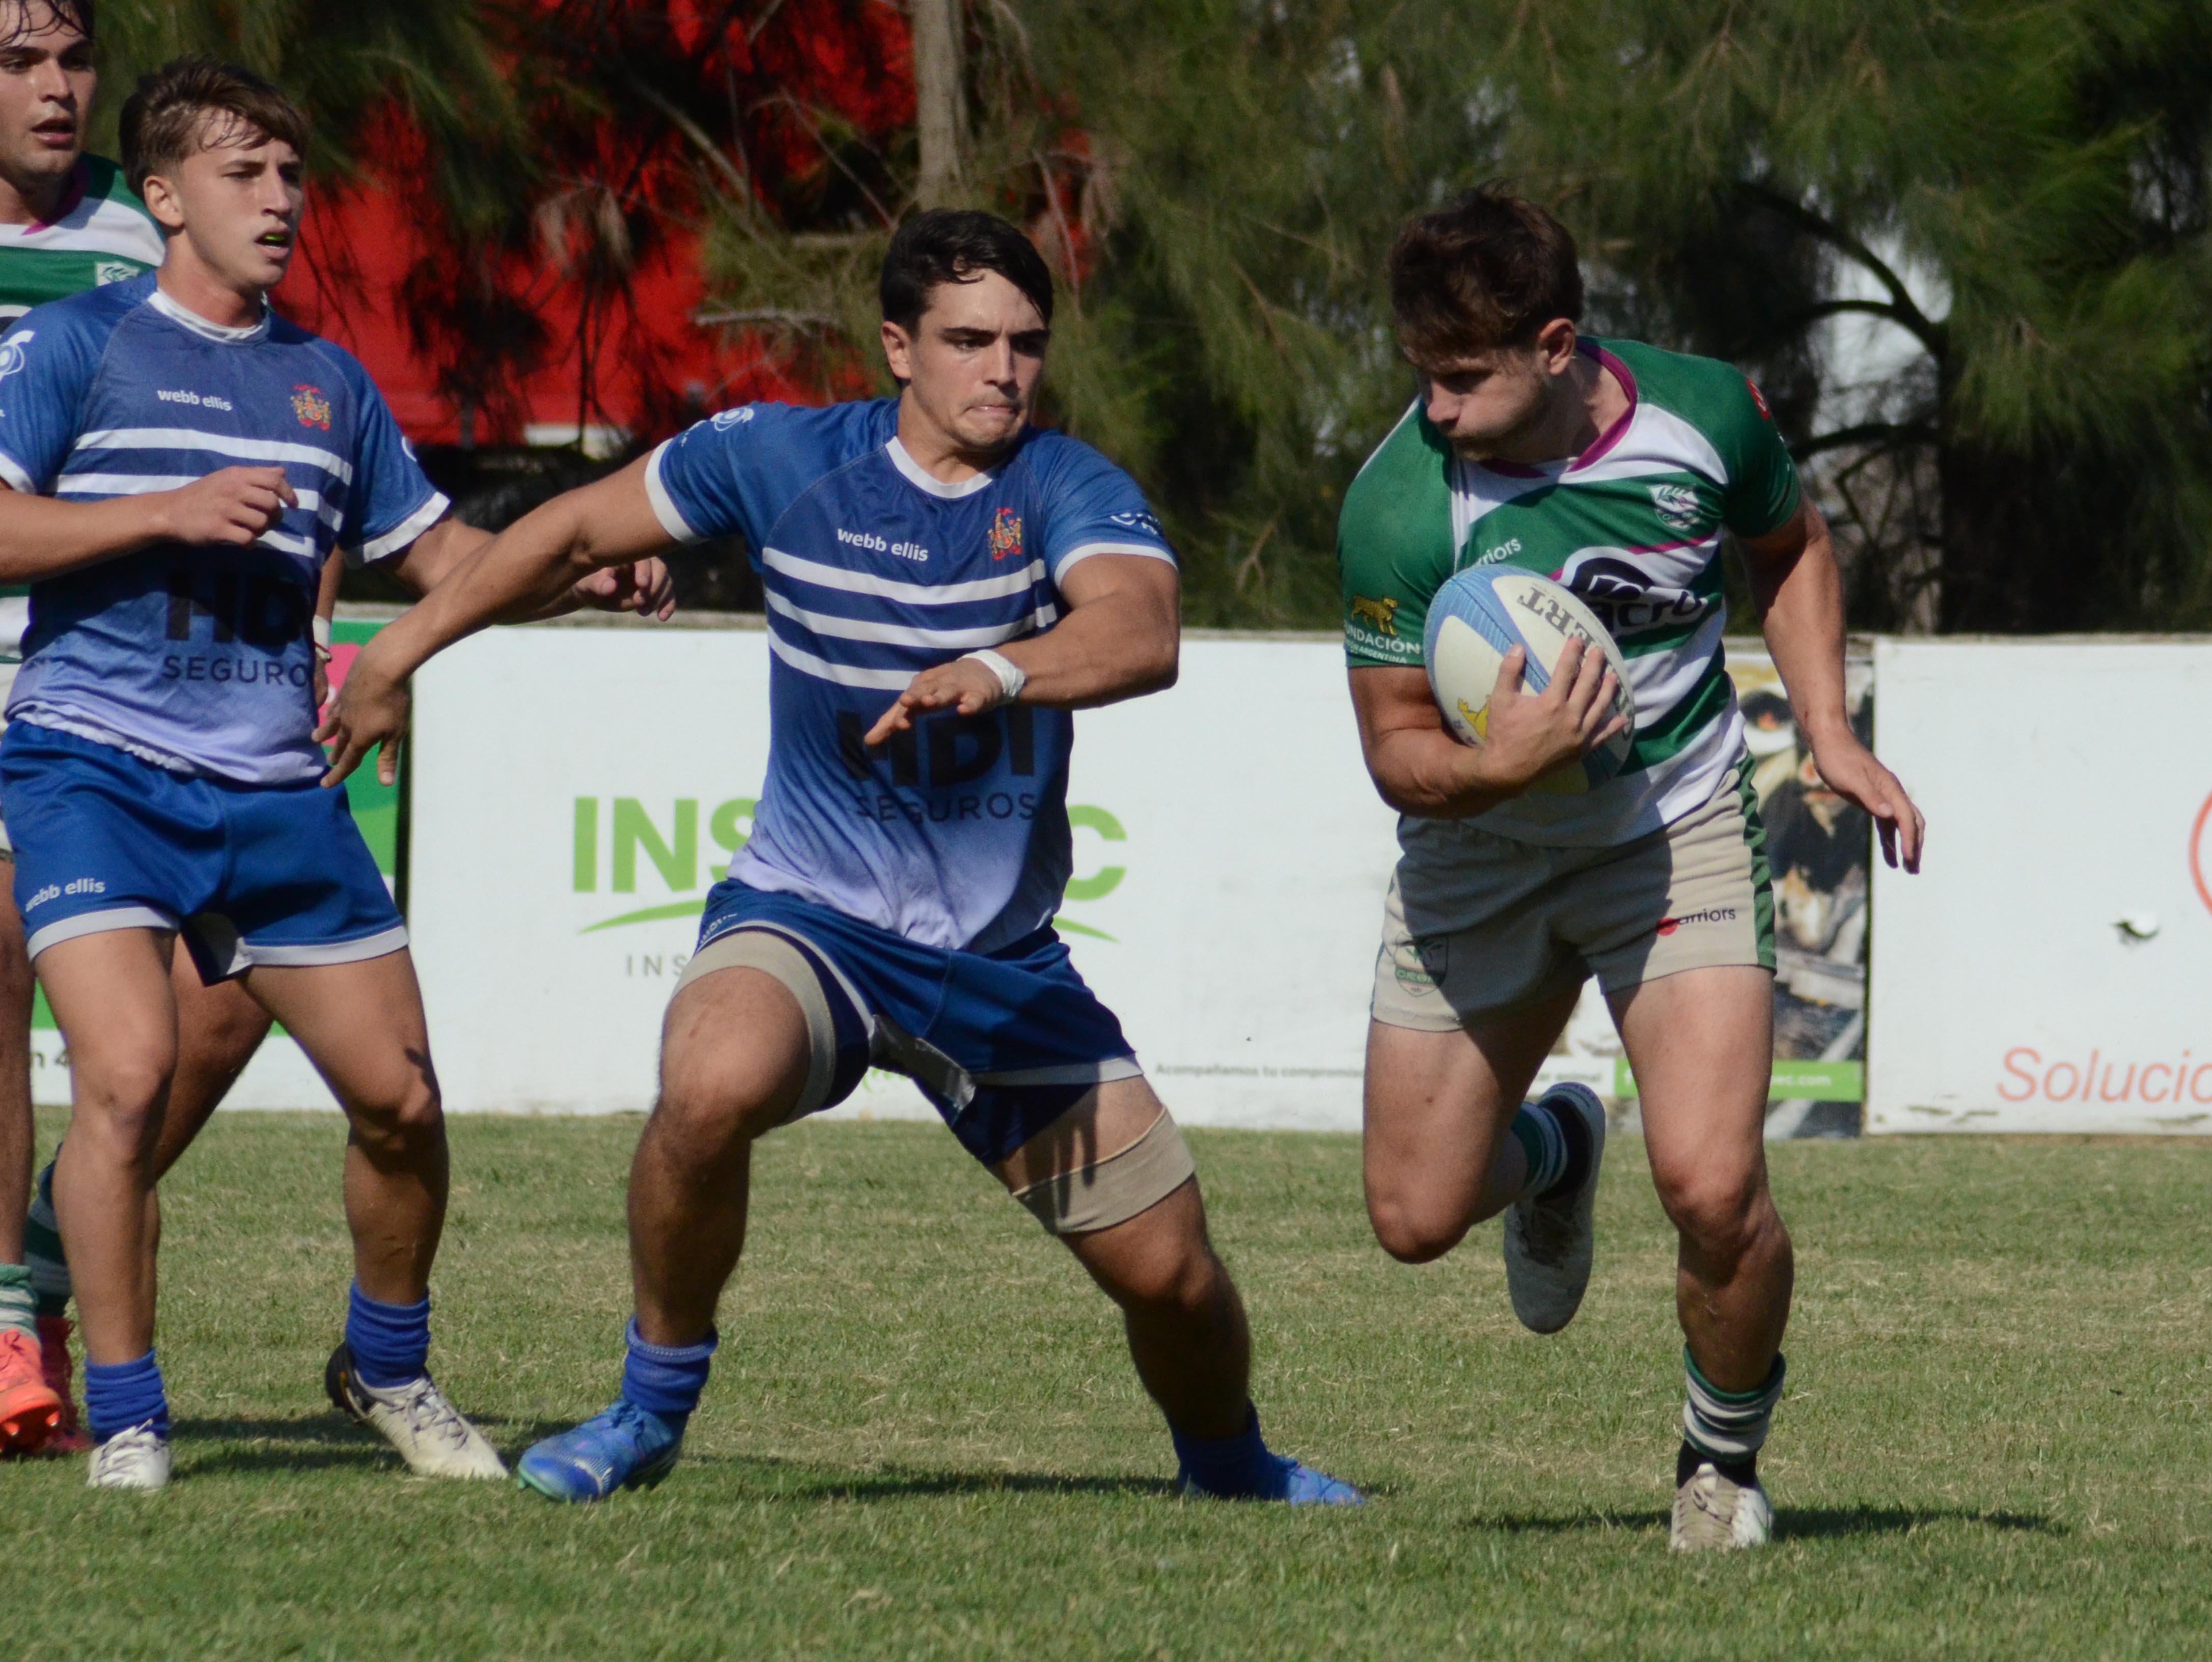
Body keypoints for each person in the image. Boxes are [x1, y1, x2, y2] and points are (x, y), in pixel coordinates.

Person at [321, 209, 1359, 1508]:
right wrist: (397, 652)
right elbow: (575, 533)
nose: (1004, 371)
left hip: (996, 963)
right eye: (969, 341)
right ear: (897, 348)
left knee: (1174, 1275)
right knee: (708, 1083)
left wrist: (999, 669)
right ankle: (649, 1409)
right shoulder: (778, 457)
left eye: (1026, 344)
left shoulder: (1066, 485)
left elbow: (1142, 632)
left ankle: (1231, 1468)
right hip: (810, 919)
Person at [0, 58, 670, 1488]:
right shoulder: (76, 346)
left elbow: (445, 560)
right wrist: (164, 512)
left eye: (292, 177)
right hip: (93, 770)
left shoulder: (327, 381)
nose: (280, 201)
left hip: (275, 791)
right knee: (126, 1079)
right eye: (244, 174)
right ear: (163, 195)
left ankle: (386, 1366)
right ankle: (129, 1415)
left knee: (402, 1102)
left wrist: (581, 572)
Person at [1335, 188, 1925, 1549]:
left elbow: (1791, 547)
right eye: (1420, 374)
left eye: (1462, 379)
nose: (1434, 408)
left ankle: (1720, 1463)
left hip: (1672, 831)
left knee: (1715, 1188)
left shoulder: (1706, 414)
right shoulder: (1400, 505)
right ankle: (1555, 1150)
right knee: (1414, 1218)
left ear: (1556, 346)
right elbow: (1395, 750)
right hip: (1477, 853)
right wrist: (1504, 765)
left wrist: (1828, 731)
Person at [0, 0, 292, 1458]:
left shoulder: (156, 219)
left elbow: (281, 413)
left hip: (144, 672)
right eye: (18, 63)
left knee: (240, 992)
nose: (56, 88)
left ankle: (48, 1253)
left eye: (74, 59)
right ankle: (12, 1326)